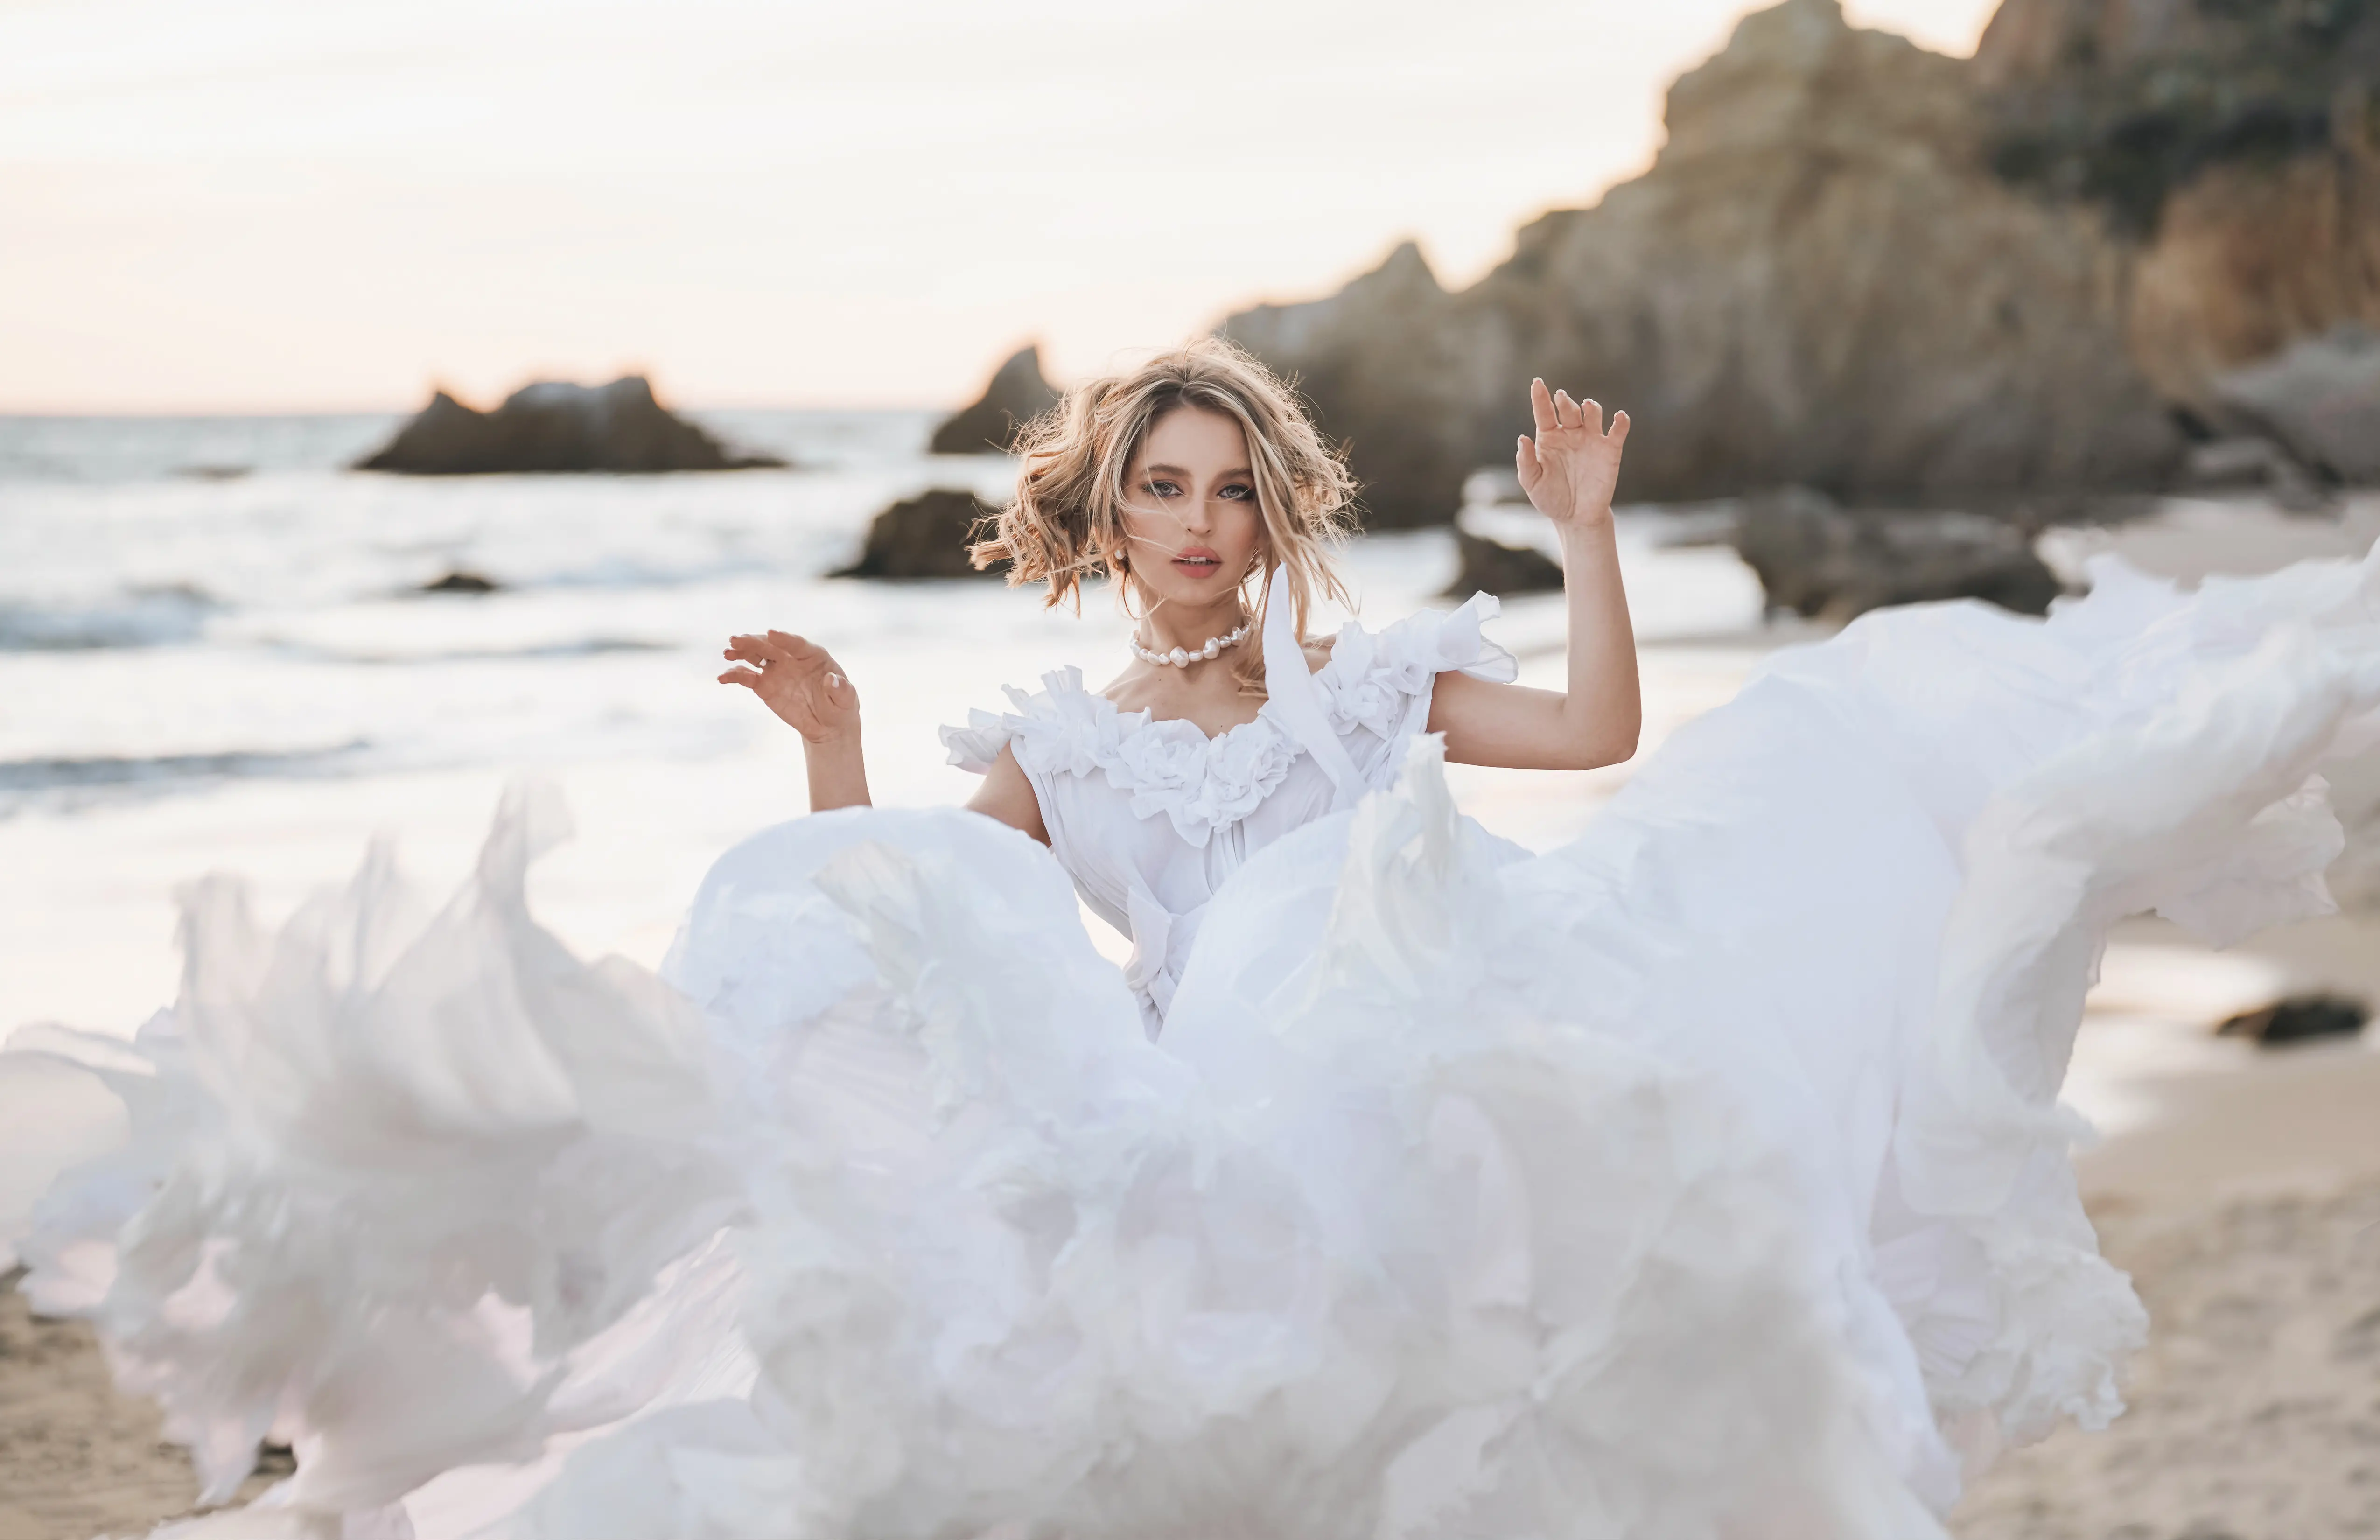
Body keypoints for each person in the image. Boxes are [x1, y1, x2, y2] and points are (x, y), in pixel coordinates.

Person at [5, 338, 2377, 1540]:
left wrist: (1584, 529)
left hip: (1410, 1054)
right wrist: (829, 756)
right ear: (1103, 515)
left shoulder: (1376, 681)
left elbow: (1602, 732)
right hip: (1196, 1112)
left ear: (1275, 516)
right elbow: (923, 932)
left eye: (1233, 492)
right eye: (1160, 489)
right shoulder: (1074, 742)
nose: (1198, 526)